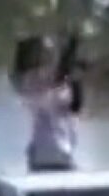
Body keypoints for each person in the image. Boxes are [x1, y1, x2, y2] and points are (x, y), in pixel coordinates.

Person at [11, 33, 85, 173]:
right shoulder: (34, 84)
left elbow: (75, 106)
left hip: (53, 155)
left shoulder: (62, 89)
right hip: (53, 154)